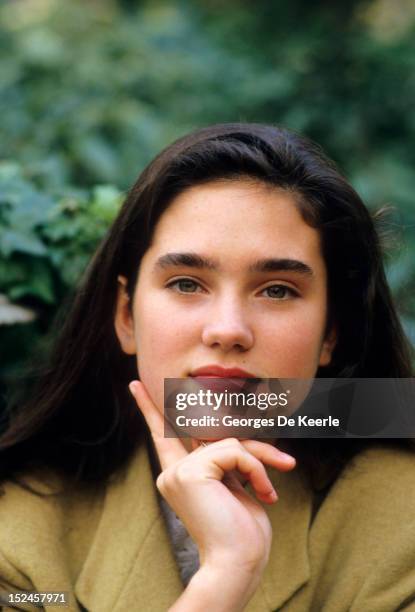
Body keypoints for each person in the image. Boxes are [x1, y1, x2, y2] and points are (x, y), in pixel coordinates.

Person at [0, 123, 414, 612]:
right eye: (186, 283)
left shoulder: (403, 519)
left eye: (277, 290)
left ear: (331, 333)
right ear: (127, 315)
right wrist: (226, 574)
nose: (227, 329)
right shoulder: (22, 531)